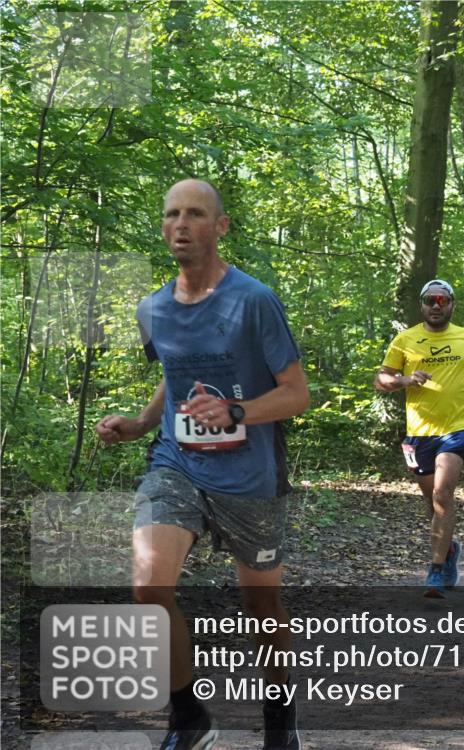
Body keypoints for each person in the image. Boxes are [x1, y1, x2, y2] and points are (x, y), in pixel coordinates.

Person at [96, 179, 309, 750]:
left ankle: (280, 723)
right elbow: (174, 379)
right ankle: (189, 715)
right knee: (148, 587)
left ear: (220, 227)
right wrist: (141, 424)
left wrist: (236, 409)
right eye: (171, 214)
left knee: (262, 605)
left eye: (195, 214)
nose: (181, 224)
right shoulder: (153, 309)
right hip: (177, 463)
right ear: (163, 227)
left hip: (250, 475)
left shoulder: (254, 300)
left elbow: (296, 394)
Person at [374, 280, 464, 597]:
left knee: (443, 495)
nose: (436, 305)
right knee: (433, 504)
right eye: (430, 299)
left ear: (452, 304)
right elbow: (382, 380)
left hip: (457, 428)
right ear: (422, 304)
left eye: (443, 300)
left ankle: (436, 568)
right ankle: (450, 549)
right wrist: (405, 379)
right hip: (419, 433)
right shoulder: (405, 339)